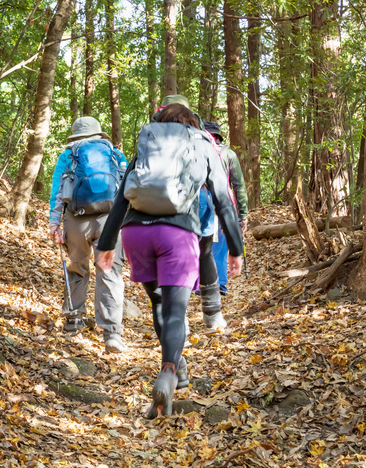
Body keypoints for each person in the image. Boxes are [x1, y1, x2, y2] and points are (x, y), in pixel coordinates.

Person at [96, 103, 243, 418]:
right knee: (175, 310)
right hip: (177, 234)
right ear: (194, 123)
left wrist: (107, 243)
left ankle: (181, 370)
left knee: (159, 304)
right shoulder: (203, 143)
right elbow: (222, 197)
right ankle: (168, 371)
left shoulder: (149, 140)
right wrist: (235, 246)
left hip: (136, 233)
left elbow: (124, 192)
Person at [48, 116, 129, 353]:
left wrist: (55, 224)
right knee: (110, 271)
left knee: (77, 267)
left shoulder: (68, 155)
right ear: (98, 134)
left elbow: (57, 192)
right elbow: (127, 187)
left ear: (75, 135)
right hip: (110, 220)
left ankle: (74, 320)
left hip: (76, 221)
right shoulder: (114, 153)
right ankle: (112, 333)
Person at [159, 97, 226, 330]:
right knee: (204, 253)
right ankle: (213, 315)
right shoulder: (200, 132)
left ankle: (181, 318)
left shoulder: (153, 133)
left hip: (164, 201)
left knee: (173, 259)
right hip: (201, 198)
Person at [202, 120, 248, 297]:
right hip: (223, 201)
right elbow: (239, 185)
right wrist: (242, 214)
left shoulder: (196, 151)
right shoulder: (229, 154)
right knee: (220, 246)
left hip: (199, 202)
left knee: (200, 242)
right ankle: (219, 283)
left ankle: (201, 284)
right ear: (218, 137)